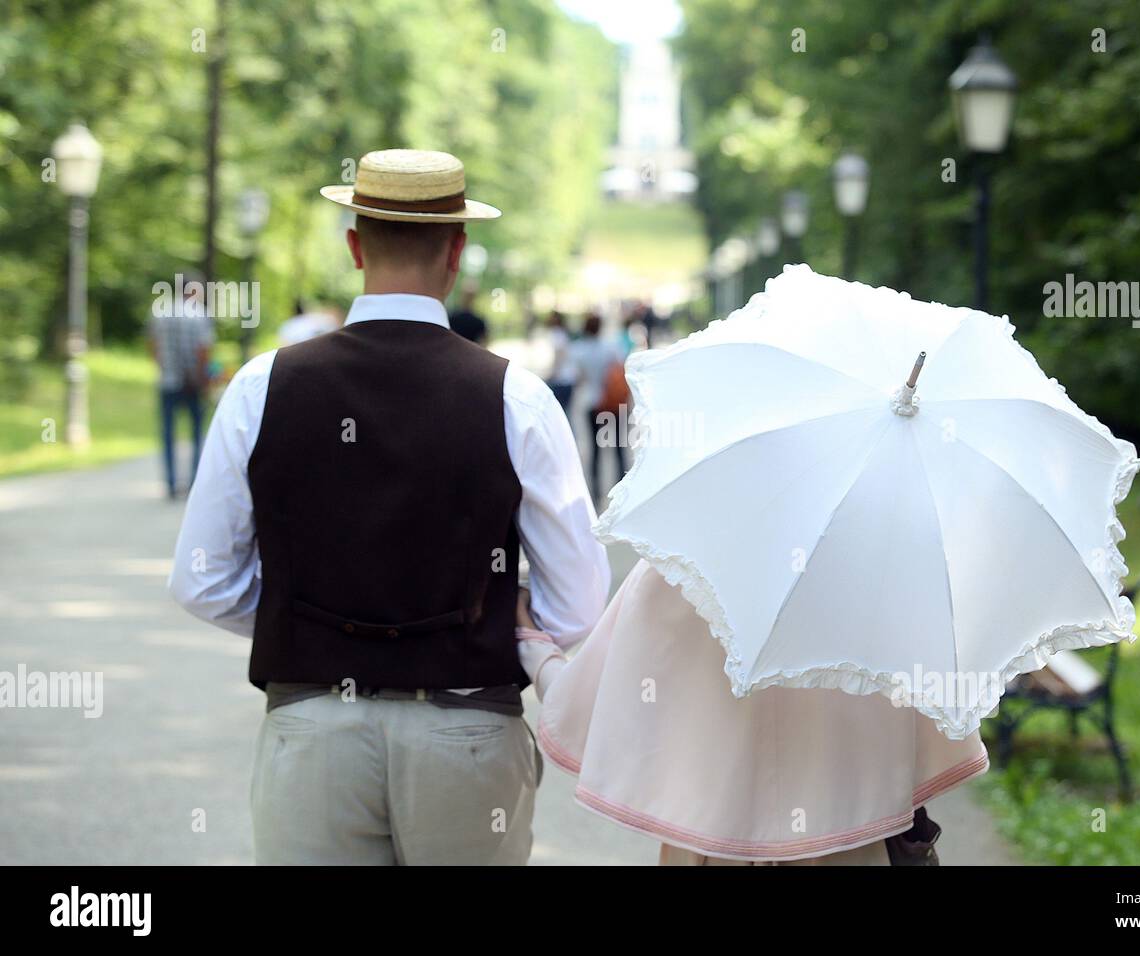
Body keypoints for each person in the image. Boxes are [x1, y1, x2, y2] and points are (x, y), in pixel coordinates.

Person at [168, 149, 610, 865]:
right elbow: (581, 601)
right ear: (457, 251)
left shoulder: (262, 386)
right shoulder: (516, 398)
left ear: (353, 246)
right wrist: (496, 623)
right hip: (465, 729)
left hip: (311, 728)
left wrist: (306, 622)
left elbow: (200, 579)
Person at [516, 561, 987, 866]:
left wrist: (538, 652)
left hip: (709, 851)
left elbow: (589, 711)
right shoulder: (884, 575)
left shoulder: (676, 566)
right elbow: (936, 731)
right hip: (849, 847)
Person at [151, 272, 213, 499]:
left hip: (167, 380)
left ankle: (170, 483)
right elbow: (203, 352)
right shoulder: (199, 315)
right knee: (197, 433)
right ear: (193, 290)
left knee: (167, 432)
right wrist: (204, 379)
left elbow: (154, 346)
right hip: (193, 383)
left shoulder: (161, 313)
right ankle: (194, 481)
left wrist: (163, 367)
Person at [570, 312, 627, 498]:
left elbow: (578, 378)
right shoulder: (610, 347)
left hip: (592, 403)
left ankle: (595, 492)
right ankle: (622, 488)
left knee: (595, 450)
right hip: (613, 403)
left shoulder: (578, 350)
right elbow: (620, 369)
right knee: (618, 447)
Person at [543, 310, 577, 416]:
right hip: (568, 378)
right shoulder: (564, 333)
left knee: (559, 413)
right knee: (566, 413)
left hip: (560, 379)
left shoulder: (556, 334)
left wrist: (552, 373)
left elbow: (559, 356)